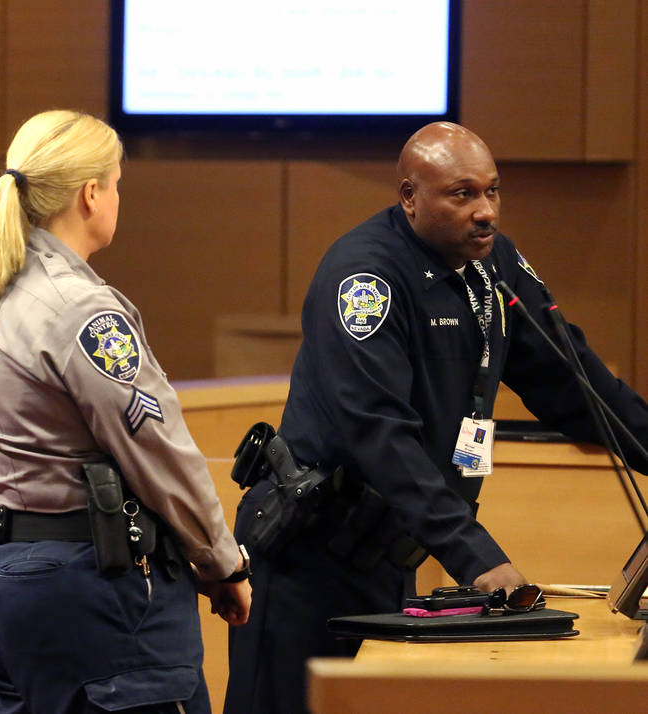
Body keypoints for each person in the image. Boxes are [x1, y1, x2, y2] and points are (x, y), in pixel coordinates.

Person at [224, 121, 648, 714]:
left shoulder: (494, 265)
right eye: (462, 194)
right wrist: (479, 559)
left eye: (492, 191)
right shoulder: (365, 277)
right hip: (309, 556)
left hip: (391, 548)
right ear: (410, 196)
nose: (485, 211)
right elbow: (380, 435)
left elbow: (575, 383)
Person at [0, 109, 252, 714]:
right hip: (94, 586)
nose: (117, 198)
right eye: (116, 184)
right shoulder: (81, 310)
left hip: (2, 577)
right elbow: (157, 450)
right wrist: (222, 561)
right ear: (91, 194)